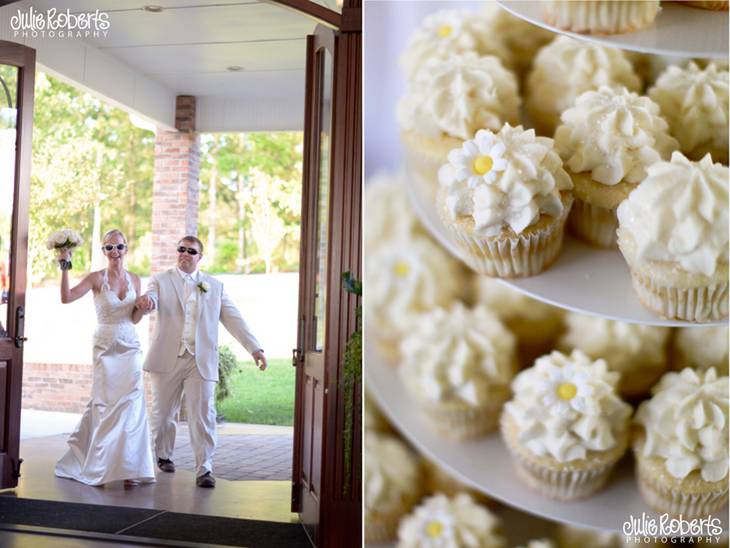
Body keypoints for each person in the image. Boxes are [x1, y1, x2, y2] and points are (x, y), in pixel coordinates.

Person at [136, 235, 267, 488]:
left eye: (190, 251)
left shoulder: (213, 286)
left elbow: (233, 318)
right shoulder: (160, 280)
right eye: (181, 250)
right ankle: (163, 454)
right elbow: (151, 298)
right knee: (163, 414)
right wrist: (147, 302)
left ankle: (204, 469)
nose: (184, 254)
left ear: (200, 257)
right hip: (167, 358)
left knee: (203, 414)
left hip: (201, 359)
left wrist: (254, 348)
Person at [54, 229, 155, 486]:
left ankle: (130, 468)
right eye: (108, 248)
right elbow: (66, 298)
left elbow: (133, 317)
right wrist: (64, 266)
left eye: (119, 247)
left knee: (131, 405)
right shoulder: (96, 279)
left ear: (126, 249)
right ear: (103, 252)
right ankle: (101, 466)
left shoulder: (134, 279)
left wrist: (142, 310)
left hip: (130, 344)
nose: (114, 252)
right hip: (105, 346)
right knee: (106, 405)